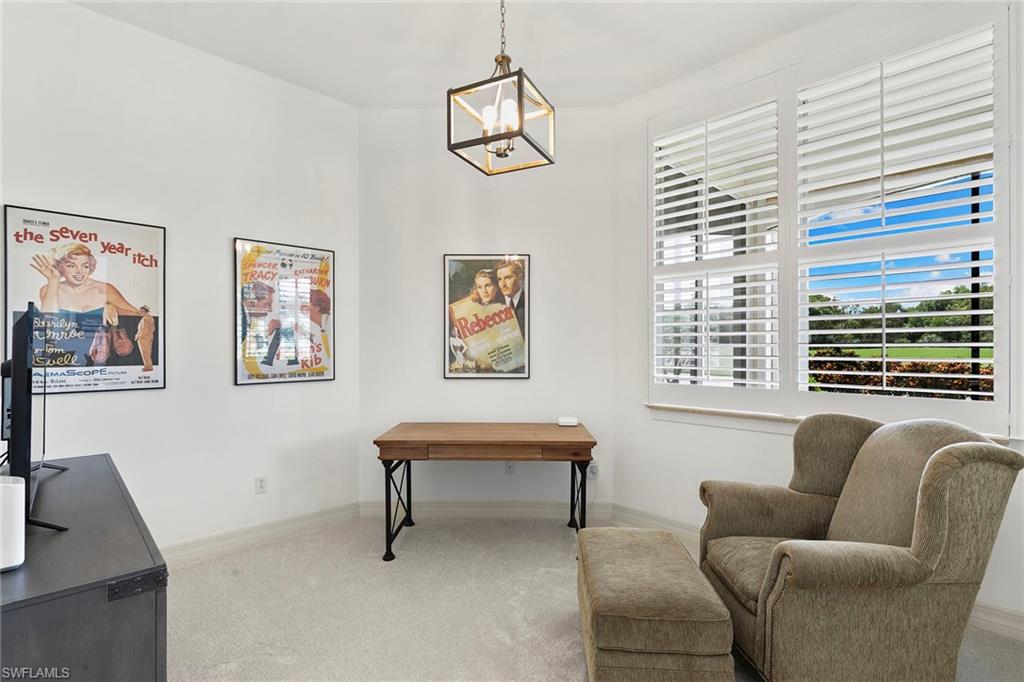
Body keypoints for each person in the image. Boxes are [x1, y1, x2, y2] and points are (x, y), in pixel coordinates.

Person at [30, 242, 141, 317]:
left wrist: (115, 309)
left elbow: (139, 316)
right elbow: (48, 322)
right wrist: (53, 280)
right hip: (62, 349)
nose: (80, 271)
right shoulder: (48, 288)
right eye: (71, 266)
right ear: (60, 267)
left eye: (85, 266)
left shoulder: (104, 289)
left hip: (99, 349)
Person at [496, 259, 526, 336]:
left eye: (508, 278)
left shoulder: (529, 302)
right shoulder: (495, 303)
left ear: (520, 277)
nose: (503, 284)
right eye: (499, 279)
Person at [135, 305, 155, 372]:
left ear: (144, 311)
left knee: (145, 353)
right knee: (147, 353)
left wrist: (139, 336)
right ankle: (149, 366)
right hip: (149, 337)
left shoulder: (145, 319)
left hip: (144, 338)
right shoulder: (150, 318)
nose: (140, 312)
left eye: (141, 311)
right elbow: (153, 329)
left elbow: (144, 330)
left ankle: (148, 367)